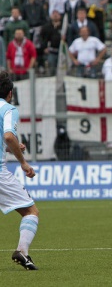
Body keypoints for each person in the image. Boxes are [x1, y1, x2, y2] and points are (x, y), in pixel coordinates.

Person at [0, 71, 39, 269]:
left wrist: (12, 145)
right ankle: (22, 252)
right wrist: (23, 162)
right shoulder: (7, 109)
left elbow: (6, 141)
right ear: (10, 92)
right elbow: (8, 136)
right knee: (30, 212)